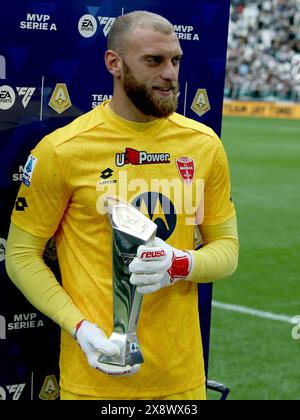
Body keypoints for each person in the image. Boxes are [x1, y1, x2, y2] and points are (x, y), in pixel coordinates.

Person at [5, 10, 239, 400]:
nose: (170, 73)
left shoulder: (204, 145)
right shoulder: (63, 150)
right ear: (114, 63)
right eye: (154, 61)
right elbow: (20, 256)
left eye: (176, 60)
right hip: (96, 380)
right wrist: (80, 328)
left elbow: (228, 251)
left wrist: (180, 264)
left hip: (181, 382)